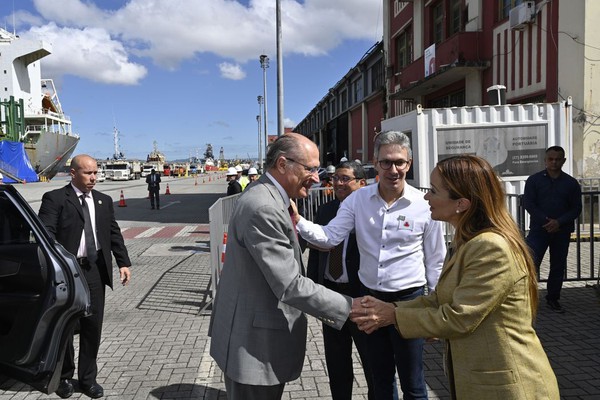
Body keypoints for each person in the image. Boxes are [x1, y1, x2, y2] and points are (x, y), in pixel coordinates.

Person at [352, 155, 560, 400]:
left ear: (461, 203)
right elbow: (439, 300)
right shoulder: (469, 241)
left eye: (433, 190)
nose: (426, 197)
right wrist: (390, 308)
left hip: (508, 387)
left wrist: (392, 315)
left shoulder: (491, 247)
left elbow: (459, 317)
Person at [209, 133, 362, 400]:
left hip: (253, 339)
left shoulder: (273, 199)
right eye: (310, 169)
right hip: (254, 348)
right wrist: (351, 307)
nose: (317, 177)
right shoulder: (264, 207)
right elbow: (290, 284)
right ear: (282, 164)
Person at [294, 130, 446, 400]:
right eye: (386, 162)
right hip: (369, 300)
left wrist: (435, 307)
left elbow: (435, 259)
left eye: (400, 162)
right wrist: (298, 221)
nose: (393, 169)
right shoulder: (357, 201)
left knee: (413, 381)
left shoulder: (423, 206)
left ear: (409, 163)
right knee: (381, 378)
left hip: (409, 300)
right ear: (375, 163)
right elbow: (330, 237)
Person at [38, 154, 132, 399]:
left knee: (92, 327)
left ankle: (88, 379)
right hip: (67, 272)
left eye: (95, 173)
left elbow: (113, 233)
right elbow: (45, 233)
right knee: (67, 326)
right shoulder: (55, 199)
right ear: (73, 173)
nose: (93, 178)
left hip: (93, 270)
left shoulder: (103, 200)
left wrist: (123, 262)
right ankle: (64, 377)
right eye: (88, 173)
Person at [306, 160, 374, 399]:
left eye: (345, 179)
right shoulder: (326, 210)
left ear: (362, 183)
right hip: (331, 295)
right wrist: (314, 288)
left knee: (372, 363)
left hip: (362, 296)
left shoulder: (370, 212)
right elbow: (316, 251)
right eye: (336, 178)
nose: (338, 183)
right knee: (336, 361)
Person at [523, 146, 582, 312]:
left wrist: (559, 222)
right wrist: (546, 221)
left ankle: (553, 299)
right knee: (531, 264)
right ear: (545, 160)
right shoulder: (534, 180)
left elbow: (576, 208)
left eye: (558, 159)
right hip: (538, 230)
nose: (554, 162)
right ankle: (527, 300)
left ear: (563, 160)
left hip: (561, 231)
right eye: (551, 159)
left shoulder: (571, 183)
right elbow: (529, 204)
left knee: (558, 266)